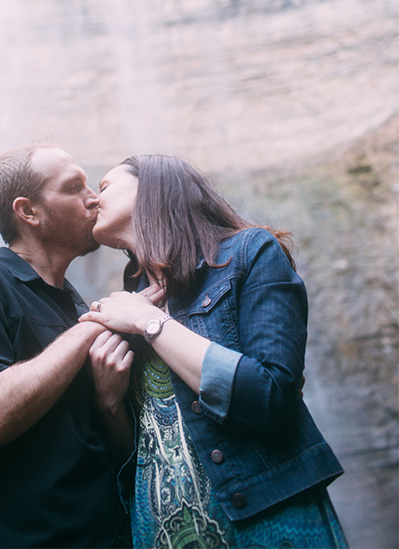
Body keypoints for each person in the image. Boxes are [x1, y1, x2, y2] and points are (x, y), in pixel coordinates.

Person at [80, 154, 347, 548]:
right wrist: (108, 403)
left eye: (104, 186)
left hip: (264, 519)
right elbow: (145, 445)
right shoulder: (133, 298)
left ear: (152, 187)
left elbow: (272, 396)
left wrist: (150, 323)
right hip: (161, 531)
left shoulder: (249, 253)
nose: (91, 200)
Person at [0, 144, 134, 548]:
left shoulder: (77, 308)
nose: (95, 198)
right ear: (29, 212)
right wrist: (93, 326)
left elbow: (120, 460)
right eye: (75, 187)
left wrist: (110, 407)